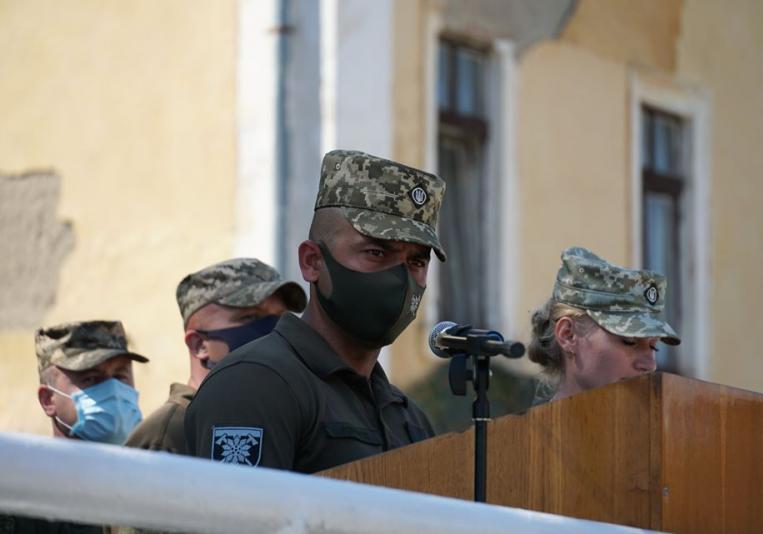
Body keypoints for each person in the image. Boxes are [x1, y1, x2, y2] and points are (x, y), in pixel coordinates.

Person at [185, 149, 447, 473]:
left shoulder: (409, 419)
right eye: (376, 252)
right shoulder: (255, 384)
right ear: (312, 262)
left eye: (417, 261)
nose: (400, 278)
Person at [124, 258, 307, 454]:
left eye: (282, 317)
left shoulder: (279, 417)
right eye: (250, 317)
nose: (275, 329)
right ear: (199, 344)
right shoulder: (168, 435)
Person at [0, 321, 149, 534]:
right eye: (91, 378)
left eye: (119, 376)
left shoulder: (150, 483)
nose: (113, 391)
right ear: (48, 400)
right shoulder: (23, 497)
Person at [528, 246, 680, 403]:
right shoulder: (530, 421)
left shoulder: (664, 418)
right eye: (629, 341)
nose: (650, 365)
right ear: (568, 335)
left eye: (653, 346)